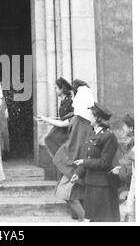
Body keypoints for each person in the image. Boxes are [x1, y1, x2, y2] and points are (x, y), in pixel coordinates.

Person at [53, 79, 94, 221]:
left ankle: (84, 220)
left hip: (76, 165)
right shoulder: (88, 120)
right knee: (75, 195)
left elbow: (74, 145)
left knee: (67, 194)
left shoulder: (80, 121)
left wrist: (64, 156)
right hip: (83, 165)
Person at [71, 103, 120, 222]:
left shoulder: (109, 136)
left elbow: (104, 162)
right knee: (92, 219)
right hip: (91, 184)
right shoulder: (93, 134)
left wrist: (83, 162)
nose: (89, 117)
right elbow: (88, 157)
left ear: (97, 118)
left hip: (103, 187)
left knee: (102, 220)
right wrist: (78, 173)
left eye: (91, 115)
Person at [34, 77, 73, 158]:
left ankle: (61, 161)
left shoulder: (69, 102)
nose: (55, 90)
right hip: (63, 132)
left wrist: (46, 119)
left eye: (56, 88)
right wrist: (46, 119)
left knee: (50, 140)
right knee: (49, 139)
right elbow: (63, 117)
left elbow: (67, 121)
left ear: (61, 89)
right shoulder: (64, 101)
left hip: (66, 133)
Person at [111, 114, 135, 221]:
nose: (122, 130)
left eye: (124, 126)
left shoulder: (133, 143)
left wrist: (119, 170)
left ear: (131, 128)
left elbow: (129, 167)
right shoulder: (130, 141)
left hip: (128, 180)